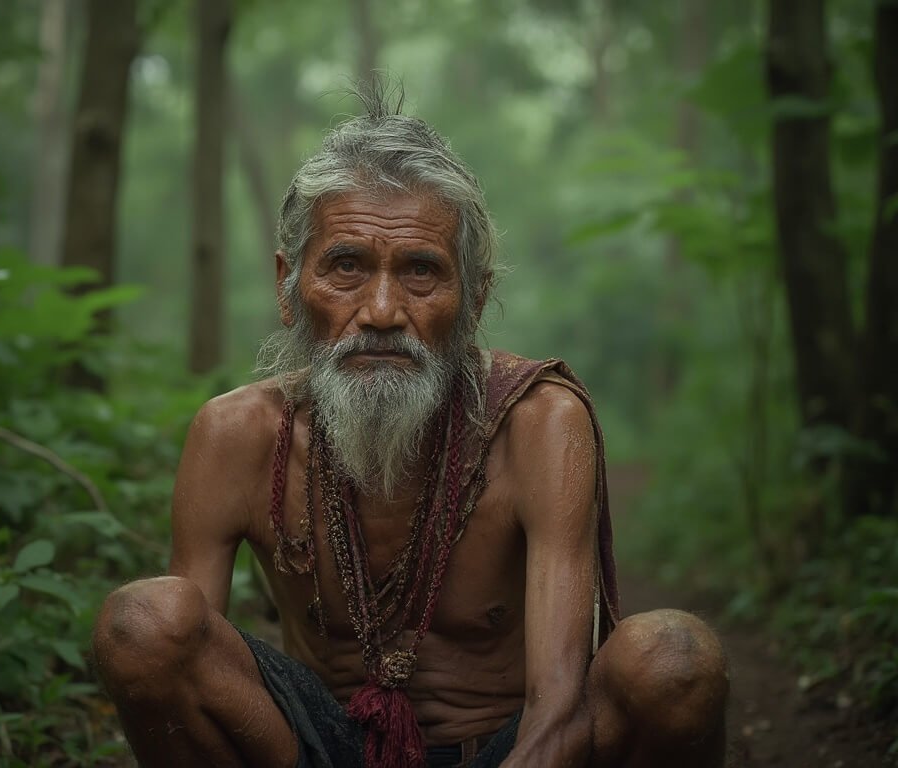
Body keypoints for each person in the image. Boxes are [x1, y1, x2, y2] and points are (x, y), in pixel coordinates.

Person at [92, 85, 729, 768]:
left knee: (672, 659)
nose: (383, 310)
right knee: (143, 624)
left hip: (509, 749)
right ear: (288, 287)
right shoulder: (238, 435)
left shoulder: (538, 423)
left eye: (422, 271)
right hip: (317, 747)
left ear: (473, 299)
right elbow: (190, 677)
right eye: (346, 266)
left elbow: (559, 717)